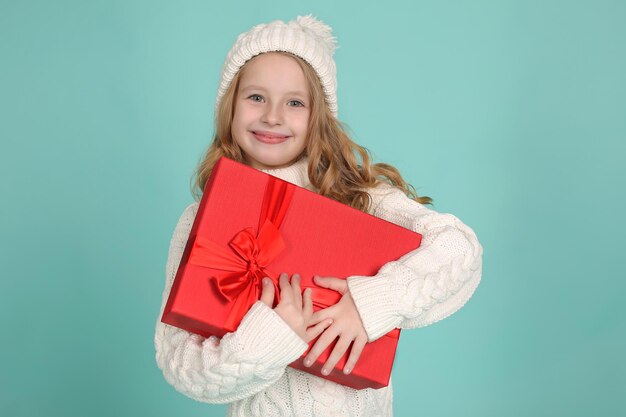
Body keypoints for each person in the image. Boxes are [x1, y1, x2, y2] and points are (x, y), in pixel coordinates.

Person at [155, 15, 482, 417]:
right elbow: (180, 364)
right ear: (229, 105)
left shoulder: (359, 197)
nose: (273, 116)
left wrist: (371, 304)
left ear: (318, 116)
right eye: (256, 97)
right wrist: (271, 338)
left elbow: (459, 249)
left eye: (294, 102)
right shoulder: (201, 219)